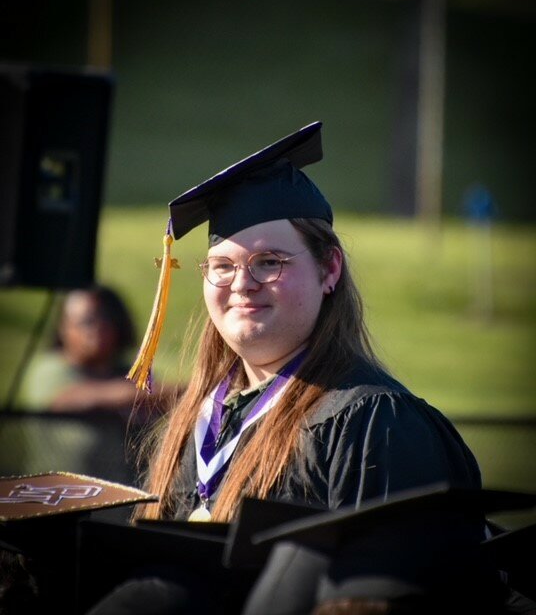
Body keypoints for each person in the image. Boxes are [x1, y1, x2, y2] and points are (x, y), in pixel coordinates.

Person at [130, 121, 481, 525]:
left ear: (329, 269)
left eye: (269, 262)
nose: (243, 284)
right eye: (222, 266)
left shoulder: (374, 423)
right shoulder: (197, 420)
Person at [18, 284, 168, 415]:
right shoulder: (50, 369)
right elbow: (74, 399)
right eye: (88, 321)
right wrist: (140, 394)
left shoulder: (128, 372)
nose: (99, 328)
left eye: (108, 319)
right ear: (64, 328)